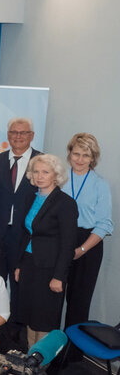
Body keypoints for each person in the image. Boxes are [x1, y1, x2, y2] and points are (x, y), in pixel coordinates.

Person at [14, 154, 78, 348]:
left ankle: (40, 361)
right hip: (29, 264)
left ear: (55, 175)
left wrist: (59, 276)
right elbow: (26, 234)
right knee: (29, 315)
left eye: (45, 172)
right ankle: (30, 357)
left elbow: (68, 244)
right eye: (36, 172)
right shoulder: (31, 198)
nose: (40, 176)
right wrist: (19, 265)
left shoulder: (65, 203)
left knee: (43, 319)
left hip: (50, 269)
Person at [0, 117, 42, 282]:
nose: (18, 136)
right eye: (14, 132)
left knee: (20, 282)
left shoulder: (41, 162)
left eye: (23, 133)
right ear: (8, 135)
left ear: (32, 135)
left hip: (25, 234)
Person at [62, 133, 113, 330]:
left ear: (93, 158)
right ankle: (50, 344)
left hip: (88, 244)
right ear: (69, 153)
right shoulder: (59, 179)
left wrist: (81, 250)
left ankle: (72, 348)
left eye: (86, 155)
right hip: (60, 240)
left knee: (78, 303)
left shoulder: (100, 184)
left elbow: (104, 224)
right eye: (76, 154)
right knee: (52, 298)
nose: (80, 160)